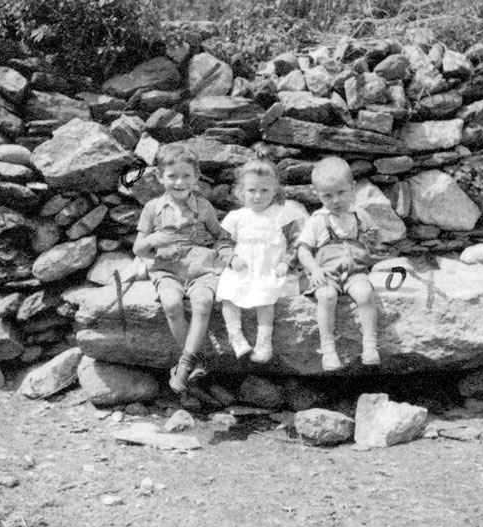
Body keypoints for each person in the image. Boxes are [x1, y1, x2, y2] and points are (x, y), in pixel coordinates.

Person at [132, 143, 229, 393]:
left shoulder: (204, 207)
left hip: (199, 268)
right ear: (160, 177)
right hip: (166, 269)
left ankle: (185, 364)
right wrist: (153, 240)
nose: (179, 182)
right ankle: (195, 361)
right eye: (172, 176)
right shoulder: (152, 208)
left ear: (196, 177)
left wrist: (227, 253)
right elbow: (138, 249)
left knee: (203, 302)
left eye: (186, 176)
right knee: (172, 305)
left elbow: (221, 236)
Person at [216, 158, 308, 363]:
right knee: (228, 294)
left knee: (266, 297)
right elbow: (223, 243)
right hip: (242, 269)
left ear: (275, 190)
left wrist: (287, 262)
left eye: (264, 191)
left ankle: (264, 341)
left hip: (269, 269)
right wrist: (231, 258)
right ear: (241, 191)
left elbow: (297, 243)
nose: (258, 196)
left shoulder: (283, 215)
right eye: (252, 191)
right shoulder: (236, 217)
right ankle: (236, 336)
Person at [297, 156, 381, 371]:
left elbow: (375, 238)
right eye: (328, 195)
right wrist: (314, 269)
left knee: (365, 294)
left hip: (355, 272)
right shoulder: (317, 220)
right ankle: (328, 348)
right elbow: (303, 250)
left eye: (341, 193)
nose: (335, 200)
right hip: (327, 273)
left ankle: (370, 345)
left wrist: (372, 238)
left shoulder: (360, 215)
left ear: (352, 188)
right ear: (317, 195)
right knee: (327, 296)